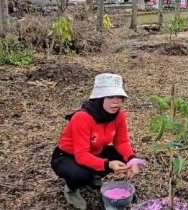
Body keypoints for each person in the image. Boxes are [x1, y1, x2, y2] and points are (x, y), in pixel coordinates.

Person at [50, 73, 145, 210]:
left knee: (122, 156)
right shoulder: (82, 117)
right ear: (100, 98)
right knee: (81, 175)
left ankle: (93, 178)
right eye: (110, 97)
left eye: (119, 97)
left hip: (94, 151)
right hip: (66, 156)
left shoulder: (119, 115)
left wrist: (132, 160)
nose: (116, 101)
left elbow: (122, 142)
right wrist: (107, 165)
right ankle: (71, 188)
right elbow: (81, 155)